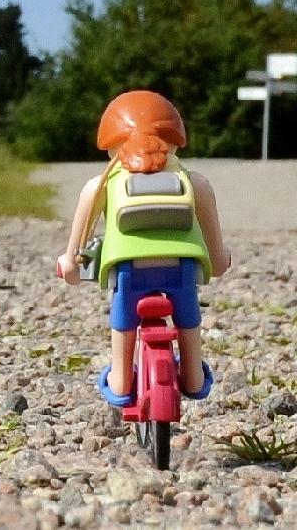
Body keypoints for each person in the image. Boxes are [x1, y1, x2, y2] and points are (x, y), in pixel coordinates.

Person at [57, 90, 231, 406]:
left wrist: (70, 264)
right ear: (175, 138)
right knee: (188, 318)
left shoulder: (102, 184)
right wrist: (219, 261)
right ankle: (193, 376)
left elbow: (77, 245)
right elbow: (216, 251)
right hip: (182, 266)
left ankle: (121, 381)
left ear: (110, 143)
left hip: (128, 269)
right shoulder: (195, 182)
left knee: (123, 321)